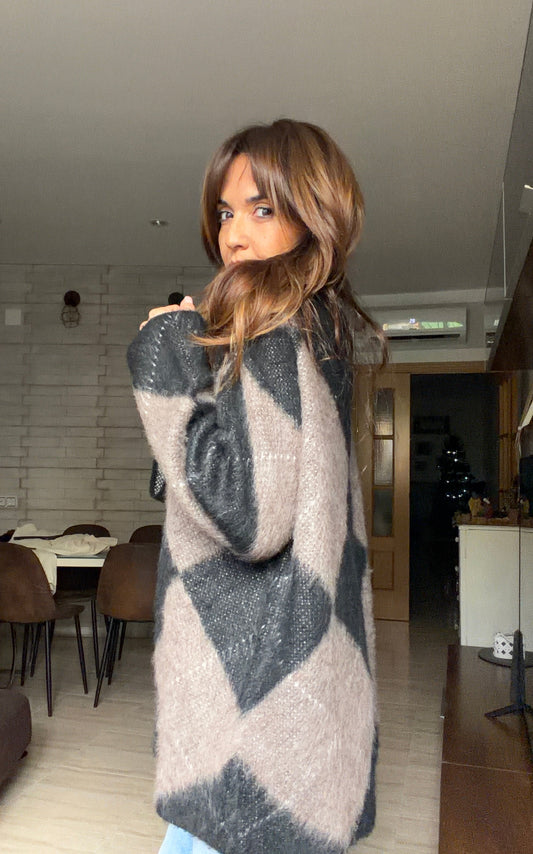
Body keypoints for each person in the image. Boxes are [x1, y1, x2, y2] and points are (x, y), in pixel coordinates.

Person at [127, 119, 385, 854]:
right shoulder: (316, 330)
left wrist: (165, 356)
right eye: (224, 213)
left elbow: (247, 516)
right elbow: (241, 486)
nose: (234, 235)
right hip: (288, 693)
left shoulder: (274, 331)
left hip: (250, 699)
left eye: (261, 209)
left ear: (314, 214)